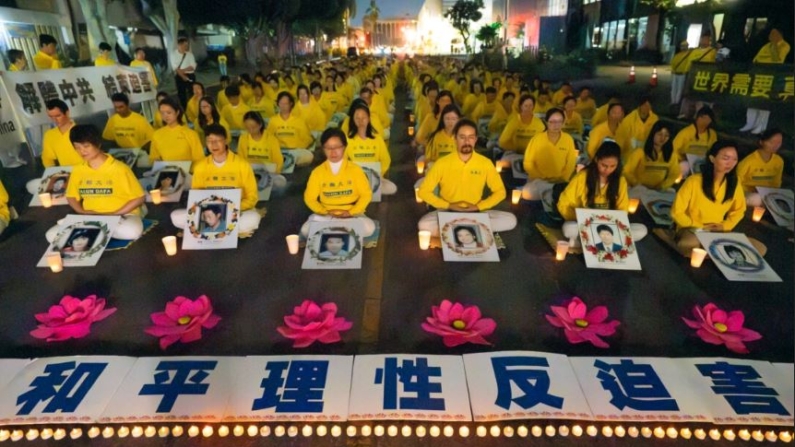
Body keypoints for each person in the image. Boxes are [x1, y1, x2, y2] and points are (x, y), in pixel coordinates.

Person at [45, 124, 146, 243]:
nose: (82, 151)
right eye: (77, 147)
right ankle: (97, 232)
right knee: (51, 235)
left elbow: (139, 197)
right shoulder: (78, 170)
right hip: (92, 217)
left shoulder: (119, 168)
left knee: (132, 231)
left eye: (86, 146)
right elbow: (71, 196)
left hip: (121, 215)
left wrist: (114, 214)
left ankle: (92, 234)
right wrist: (81, 211)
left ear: (98, 144)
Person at [418, 119, 517, 237]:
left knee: (511, 220)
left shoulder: (485, 163)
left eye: (471, 137)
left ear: (475, 140)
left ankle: (456, 229)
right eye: (462, 137)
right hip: (449, 211)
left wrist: (478, 206)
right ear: (455, 139)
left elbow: (500, 192)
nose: (467, 141)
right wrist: (448, 205)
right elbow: (424, 192)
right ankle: (473, 228)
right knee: (424, 225)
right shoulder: (442, 163)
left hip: (476, 211)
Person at [669, 141, 765, 257]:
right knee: (689, 245)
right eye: (726, 158)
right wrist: (697, 225)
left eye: (734, 159)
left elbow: (739, 210)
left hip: (717, 230)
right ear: (712, 158)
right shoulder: (694, 181)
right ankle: (716, 254)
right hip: (693, 228)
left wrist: (725, 225)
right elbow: (677, 212)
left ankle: (712, 254)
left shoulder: (734, 183)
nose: (730, 163)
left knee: (759, 248)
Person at [170, 124, 261, 235]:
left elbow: (252, 197)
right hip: (209, 213)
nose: (214, 144)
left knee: (253, 218)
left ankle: (213, 230)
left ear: (226, 141)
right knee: (175, 216)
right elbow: (196, 196)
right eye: (209, 141)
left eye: (218, 140)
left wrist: (232, 208)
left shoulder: (242, 165)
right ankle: (230, 230)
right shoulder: (200, 166)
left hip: (235, 211)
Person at [557, 141, 648, 247]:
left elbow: (622, 209)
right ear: (596, 160)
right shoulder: (582, 177)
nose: (607, 170)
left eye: (613, 166)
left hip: (609, 227)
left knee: (641, 230)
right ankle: (591, 240)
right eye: (604, 165)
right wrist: (579, 218)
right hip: (585, 224)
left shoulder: (620, 180)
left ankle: (586, 242)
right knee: (569, 228)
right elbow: (563, 203)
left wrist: (612, 223)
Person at [301, 128, 375, 237]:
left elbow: (366, 195)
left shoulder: (355, 170)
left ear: (344, 147)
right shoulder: (317, 172)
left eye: (337, 147)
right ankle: (342, 231)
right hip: (327, 216)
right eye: (328, 148)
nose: (333, 151)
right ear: (323, 149)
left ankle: (332, 232)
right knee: (305, 230)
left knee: (369, 228)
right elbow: (309, 198)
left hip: (352, 216)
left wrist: (351, 212)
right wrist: (324, 212)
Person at [739, 28, 791, 134]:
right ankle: (750, 123)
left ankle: (761, 127)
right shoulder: (766, 45)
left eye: (774, 33)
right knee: (752, 98)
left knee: (764, 101)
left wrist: (775, 44)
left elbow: (778, 60)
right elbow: (756, 58)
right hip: (758, 74)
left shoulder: (785, 45)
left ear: (780, 35)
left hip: (770, 77)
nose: (771, 35)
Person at [521, 108, 578, 201]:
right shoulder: (537, 139)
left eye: (560, 121)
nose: (556, 125)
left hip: (560, 181)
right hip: (539, 180)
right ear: (546, 122)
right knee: (527, 193)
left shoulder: (568, 139)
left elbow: (571, 163)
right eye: (553, 121)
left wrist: (562, 178)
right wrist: (541, 177)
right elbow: (528, 163)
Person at [26, 100, 79, 195]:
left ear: (67, 113)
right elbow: (47, 158)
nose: (55, 120)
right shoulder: (50, 135)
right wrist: (54, 174)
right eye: (51, 117)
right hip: (66, 176)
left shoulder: (81, 130)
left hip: (85, 172)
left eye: (58, 116)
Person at [346, 102, 396, 195]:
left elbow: (386, 160)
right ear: (353, 120)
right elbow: (342, 161)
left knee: (391, 188)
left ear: (368, 119)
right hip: (355, 178)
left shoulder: (377, 138)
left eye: (363, 117)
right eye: (357, 118)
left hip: (374, 176)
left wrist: (379, 174)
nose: (361, 121)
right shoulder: (348, 140)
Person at [623, 121, 680, 196]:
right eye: (660, 134)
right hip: (639, 188)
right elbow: (626, 171)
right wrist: (637, 183)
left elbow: (674, 174)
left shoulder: (671, 155)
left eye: (666, 136)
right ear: (653, 134)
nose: (662, 138)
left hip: (658, 190)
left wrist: (662, 186)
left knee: (671, 193)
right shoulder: (640, 152)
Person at [237, 111, 287, 188]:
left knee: (280, 182)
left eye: (253, 127)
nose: (250, 130)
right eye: (247, 128)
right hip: (250, 172)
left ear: (260, 125)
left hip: (268, 171)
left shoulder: (271, 139)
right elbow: (240, 159)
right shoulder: (243, 138)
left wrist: (272, 170)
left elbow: (278, 161)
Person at [736, 128, 784, 207]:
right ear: (761, 142)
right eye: (772, 142)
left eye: (779, 142)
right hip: (748, 193)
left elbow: (776, 183)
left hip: (767, 194)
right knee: (757, 199)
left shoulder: (779, 161)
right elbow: (736, 180)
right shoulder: (749, 160)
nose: (775, 145)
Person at [149, 97, 204, 164]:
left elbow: (200, 159)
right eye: (162, 113)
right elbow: (153, 158)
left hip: (190, 172)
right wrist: (157, 162)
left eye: (169, 112)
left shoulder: (190, 134)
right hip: (167, 173)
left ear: (177, 112)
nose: (165, 116)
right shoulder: (157, 135)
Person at [266, 92, 314, 167]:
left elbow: (307, 139)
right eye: (281, 103)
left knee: (308, 156)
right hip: (279, 151)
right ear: (278, 104)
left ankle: (290, 163)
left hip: (295, 151)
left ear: (291, 104)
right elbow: (268, 138)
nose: (283, 106)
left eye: (286, 103)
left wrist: (297, 147)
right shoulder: (273, 120)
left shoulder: (299, 120)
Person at [498, 94, 546, 166]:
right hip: (515, 153)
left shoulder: (539, 124)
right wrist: (515, 148)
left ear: (533, 107)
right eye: (526, 106)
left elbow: (543, 142)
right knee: (502, 165)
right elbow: (502, 141)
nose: (528, 108)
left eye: (530, 106)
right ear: (521, 106)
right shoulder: (513, 121)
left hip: (533, 155)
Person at [673, 106, 717, 176]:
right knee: (684, 167)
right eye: (708, 119)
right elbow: (673, 149)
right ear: (700, 118)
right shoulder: (686, 132)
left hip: (702, 162)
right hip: (685, 162)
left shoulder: (712, 134)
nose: (709, 122)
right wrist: (681, 159)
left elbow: (714, 150)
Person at [171, 37, 197, 107]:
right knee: (181, 94)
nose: (186, 47)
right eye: (184, 45)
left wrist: (182, 70)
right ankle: (185, 109)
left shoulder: (190, 54)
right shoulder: (173, 54)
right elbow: (175, 68)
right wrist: (183, 76)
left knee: (192, 92)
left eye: (187, 45)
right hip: (179, 76)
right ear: (179, 45)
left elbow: (193, 67)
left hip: (190, 75)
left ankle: (194, 106)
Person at [669, 40, 691, 106]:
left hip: (682, 74)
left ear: (687, 46)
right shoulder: (678, 55)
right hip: (676, 73)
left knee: (679, 89)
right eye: (682, 46)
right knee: (674, 89)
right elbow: (672, 63)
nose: (683, 47)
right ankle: (673, 102)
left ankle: (676, 102)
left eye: (684, 46)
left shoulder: (689, 55)